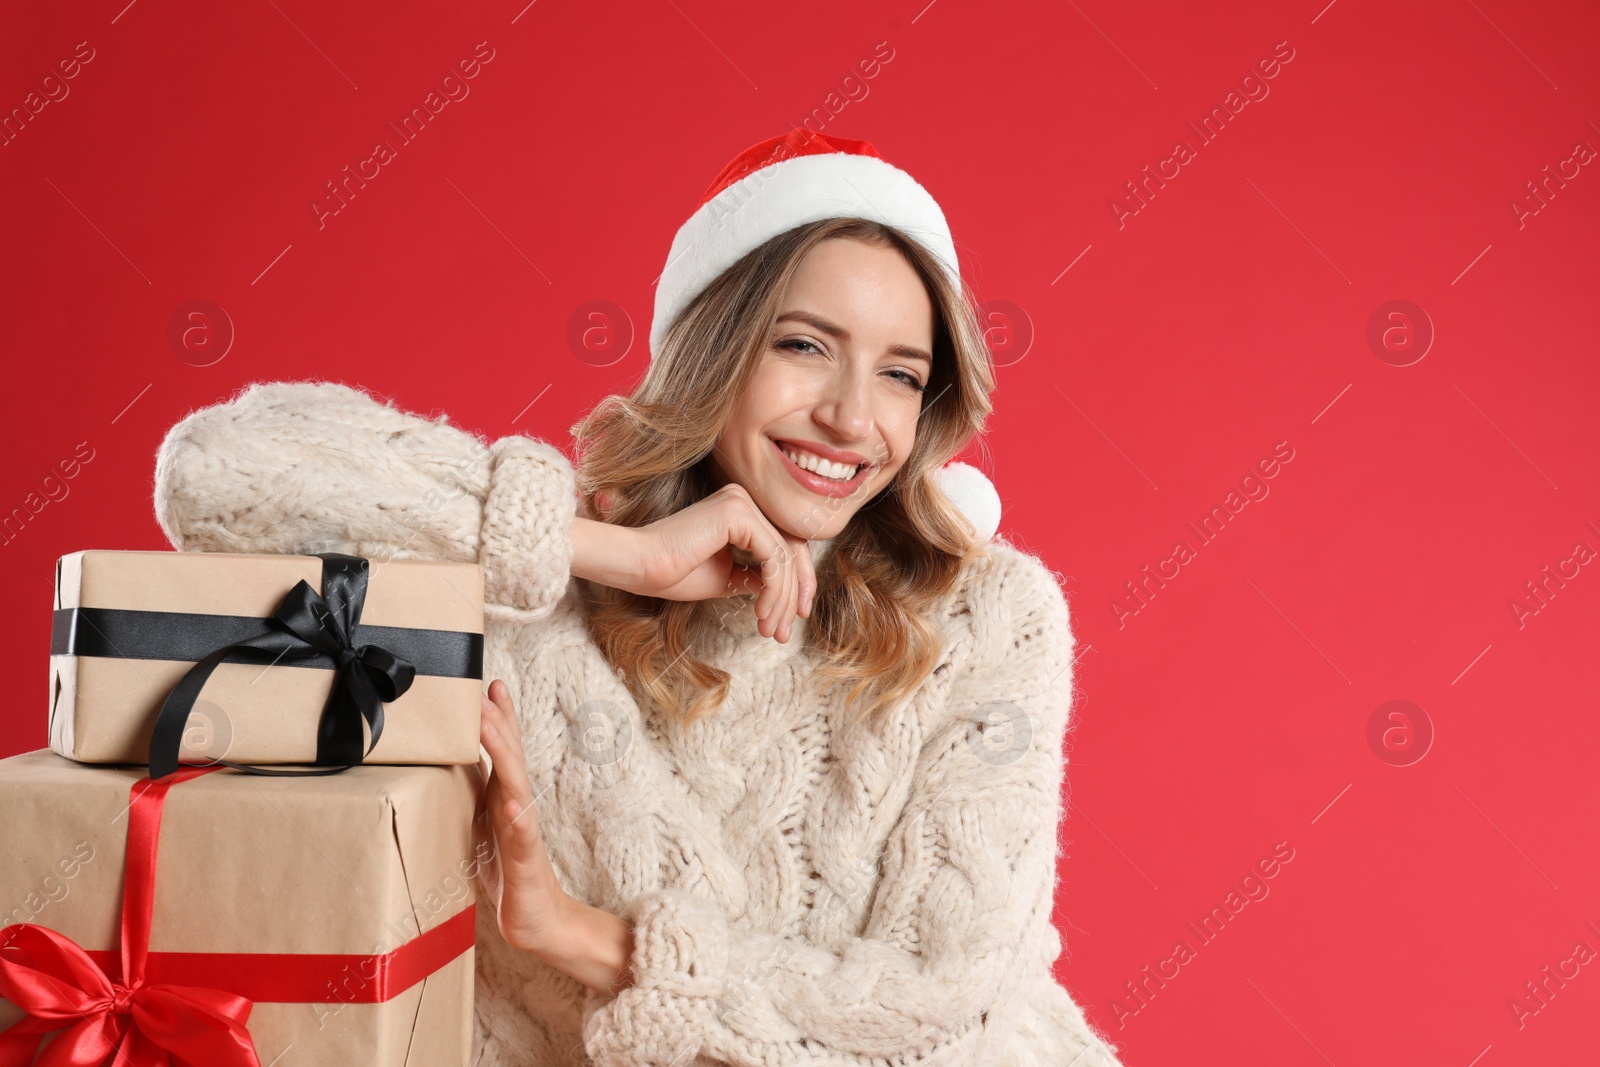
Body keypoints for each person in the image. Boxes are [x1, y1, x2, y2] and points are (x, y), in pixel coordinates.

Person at [152, 128, 1124, 1067]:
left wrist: (591, 939)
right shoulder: (545, 576)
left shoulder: (987, 615)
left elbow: (939, 1026)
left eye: (901, 374)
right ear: (712, 354)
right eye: (803, 345)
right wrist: (616, 553)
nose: (851, 416)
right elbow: (212, 469)